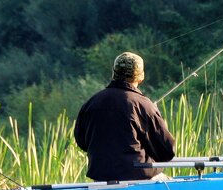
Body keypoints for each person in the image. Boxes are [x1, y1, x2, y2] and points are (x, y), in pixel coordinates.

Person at [74, 52, 176, 181]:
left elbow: (82, 141)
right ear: (141, 76)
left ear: (114, 73)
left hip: (101, 180)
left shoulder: (92, 102)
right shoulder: (144, 105)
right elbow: (166, 151)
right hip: (140, 178)